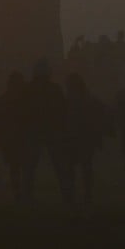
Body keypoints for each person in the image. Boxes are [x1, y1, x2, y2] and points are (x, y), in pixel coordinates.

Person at [23, 61, 73, 204]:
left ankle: (27, 197)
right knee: (59, 165)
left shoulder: (29, 89)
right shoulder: (53, 89)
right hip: (51, 131)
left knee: (30, 167)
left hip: (37, 131)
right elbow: (63, 110)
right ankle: (67, 195)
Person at [65, 73, 112, 206]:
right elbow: (104, 112)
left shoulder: (67, 101)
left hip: (74, 140)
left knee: (73, 170)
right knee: (85, 169)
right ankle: (86, 196)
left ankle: (75, 197)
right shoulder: (89, 99)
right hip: (84, 140)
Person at [0, 71, 29, 201]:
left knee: (17, 167)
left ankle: (19, 192)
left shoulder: (4, 99)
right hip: (16, 138)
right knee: (19, 166)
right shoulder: (22, 99)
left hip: (14, 138)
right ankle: (20, 192)